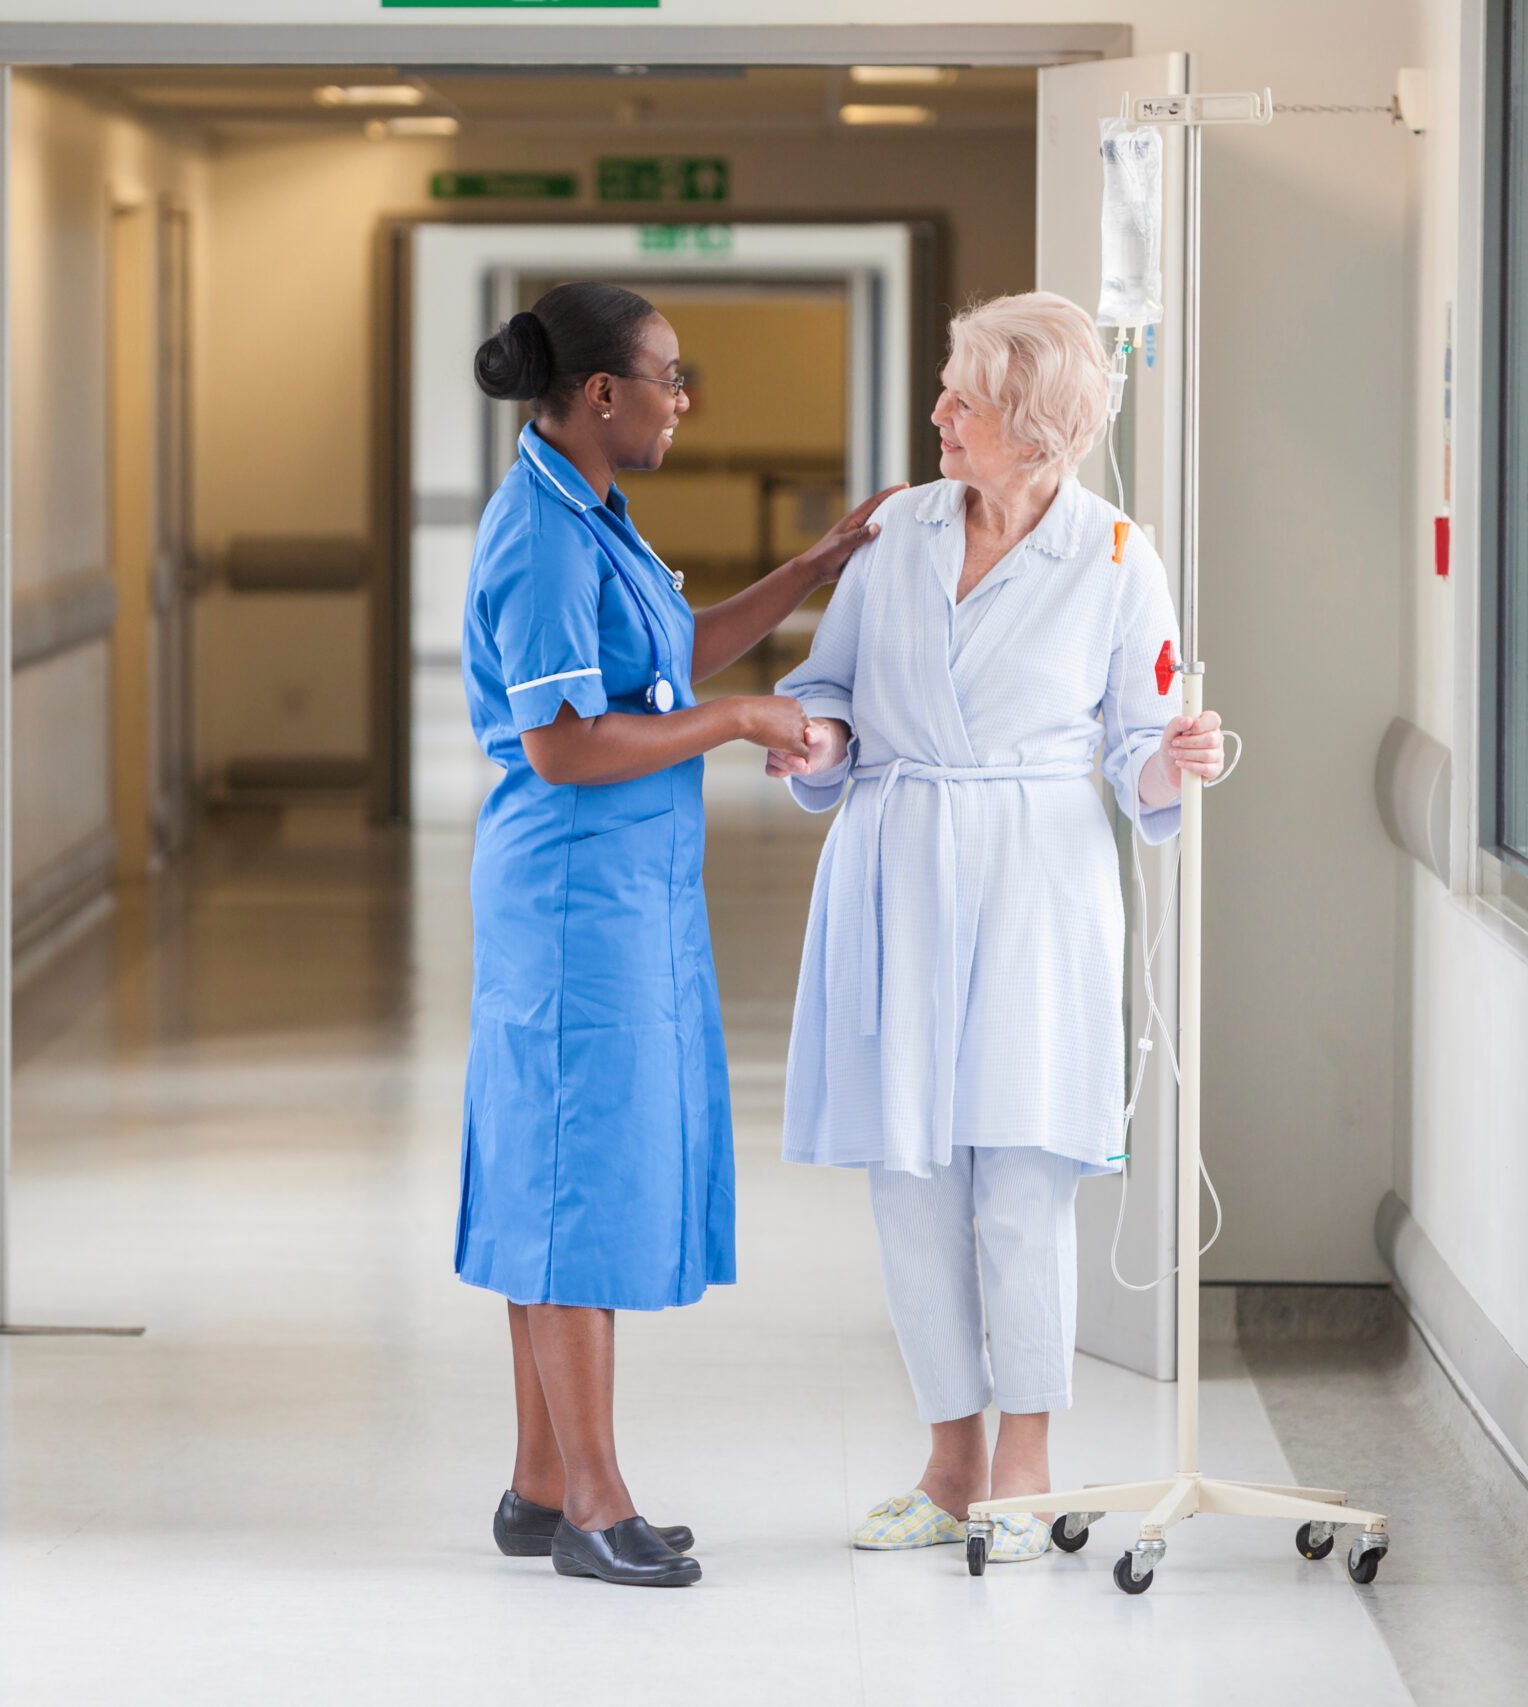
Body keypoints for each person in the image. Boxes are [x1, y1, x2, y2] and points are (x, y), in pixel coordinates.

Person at [767, 291, 1229, 1564]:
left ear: (1031, 427)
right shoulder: (897, 532)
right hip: (897, 858)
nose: (937, 417)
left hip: (1037, 872)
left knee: (1022, 1180)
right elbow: (830, 687)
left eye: (961, 399)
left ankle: (1025, 1464)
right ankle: (946, 1466)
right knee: (910, 1181)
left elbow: (1137, 750)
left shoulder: (1119, 555)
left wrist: (1175, 761)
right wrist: (814, 739)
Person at [460, 281, 900, 1588]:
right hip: (569, 898)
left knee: (570, 1168)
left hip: (623, 890)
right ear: (602, 393)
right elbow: (563, 740)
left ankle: (542, 1483)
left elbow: (664, 663)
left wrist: (818, 566)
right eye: (668, 374)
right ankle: (595, 1502)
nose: (681, 397)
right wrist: (738, 721)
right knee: (570, 1181)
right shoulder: (538, 534)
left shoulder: (593, 513)